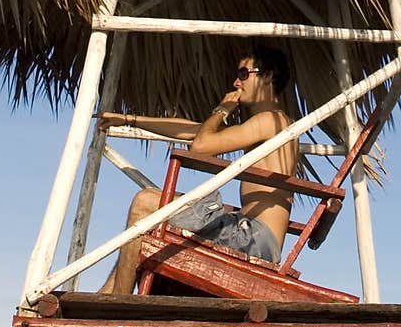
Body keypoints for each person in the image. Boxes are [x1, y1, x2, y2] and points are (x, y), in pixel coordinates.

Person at [95, 42, 296, 295]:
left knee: (145, 203)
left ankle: (117, 305)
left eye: (243, 74)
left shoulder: (271, 120)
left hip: (255, 241)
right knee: (142, 224)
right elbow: (195, 131)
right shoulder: (263, 124)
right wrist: (130, 120)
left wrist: (222, 110)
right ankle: (104, 297)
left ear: (267, 76)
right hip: (246, 231)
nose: (236, 82)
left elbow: (200, 146)